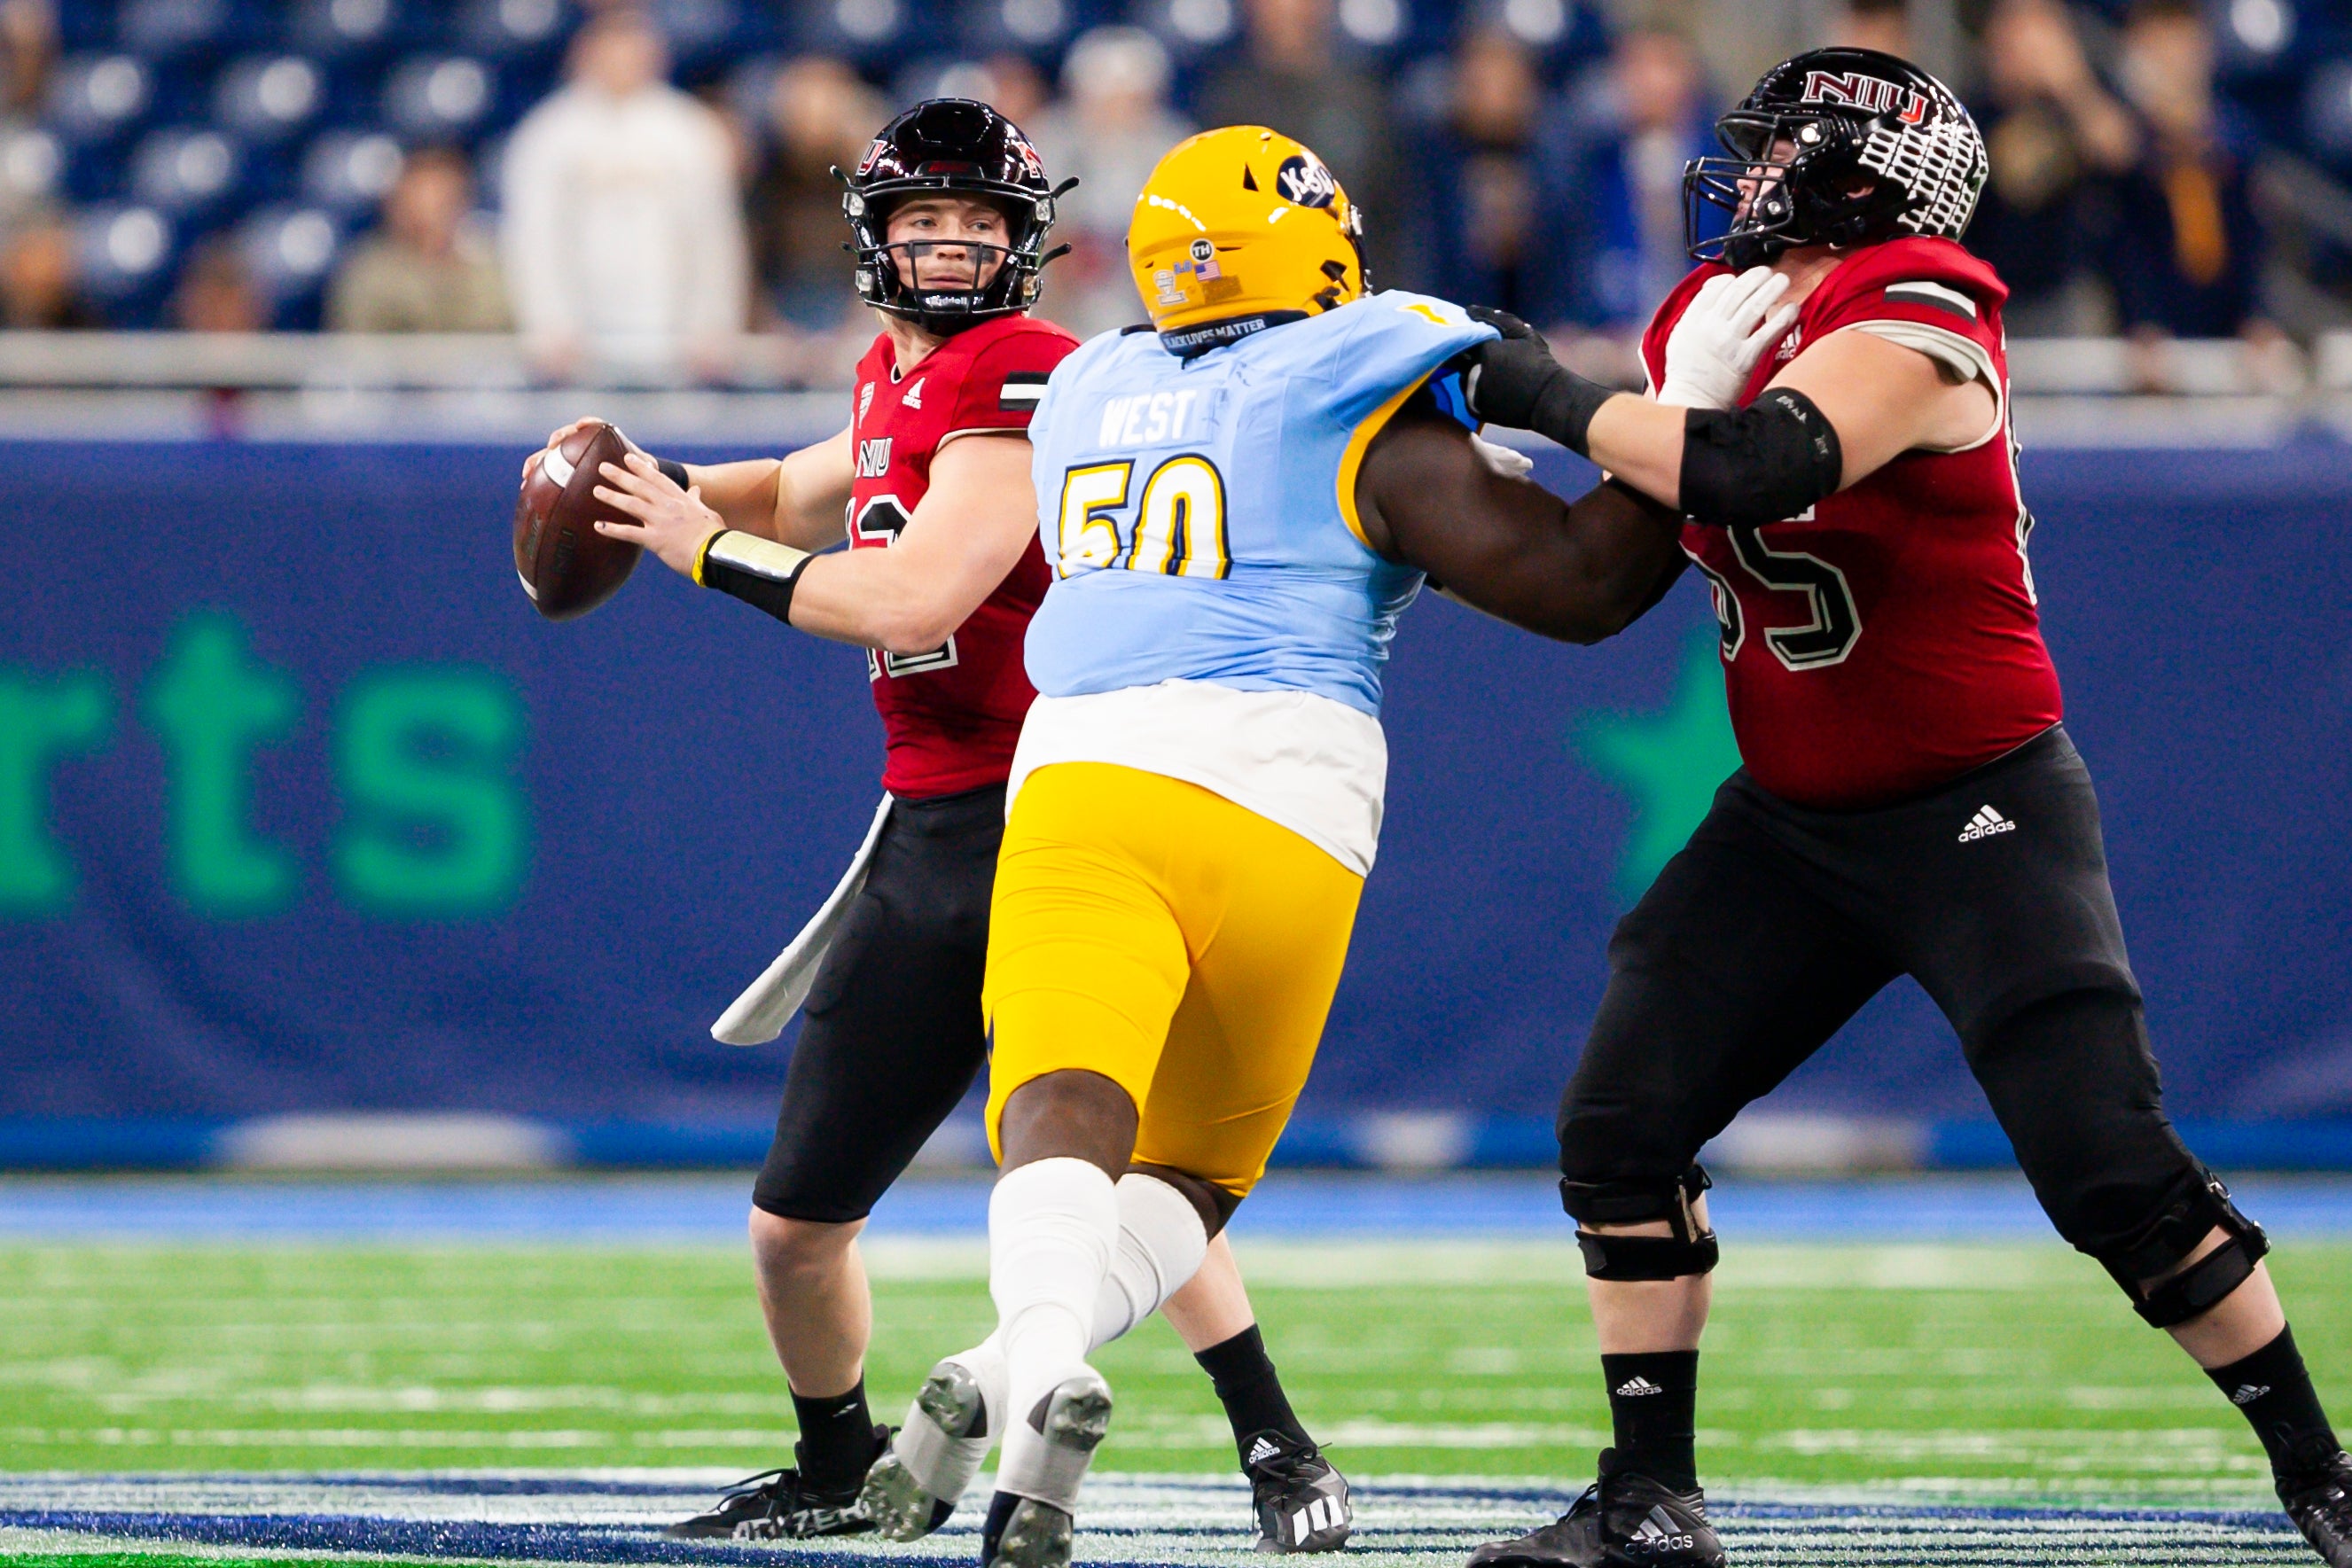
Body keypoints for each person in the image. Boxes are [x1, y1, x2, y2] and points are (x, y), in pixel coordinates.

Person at [1450, 46, 2352, 1568]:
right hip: (1790, 816)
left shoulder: (1924, 313)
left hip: (1970, 805)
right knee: (1618, 1121)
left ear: (1857, 173)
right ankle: (1649, 1495)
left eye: (1771, 152)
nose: (1737, 182)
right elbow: (1605, 582)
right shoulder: (1712, 317)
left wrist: (1554, 390)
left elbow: (1757, 462)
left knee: (2106, 1169)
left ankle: (2317, 1465)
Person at [851, 124, 1690, 1568]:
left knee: (1059, 1099)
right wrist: (1685, 429)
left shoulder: (1087, 382)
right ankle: (1021, 1362)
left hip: (1084, 771)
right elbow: (1578, 586)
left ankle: (1019, 1364)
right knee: (1188, 1174)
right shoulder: (1363, 370)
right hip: (1286, 793)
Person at [543, 99, 1354, 1550]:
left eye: (979, 223)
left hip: (1061, 806)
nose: (952, 246)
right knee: (796, 1217)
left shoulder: (1026, 373)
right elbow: (815, 479)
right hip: (928, 830)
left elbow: (915, 594)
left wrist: (698, 549)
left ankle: (1272, 1433)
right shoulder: (891, 376)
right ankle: (836, 1460)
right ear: (873, 232)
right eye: (926, 221)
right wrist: (644, 487)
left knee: (1109, 1162)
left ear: (1026, 241)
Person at [499, 7, 746, 381]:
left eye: (633, 41)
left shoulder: (691, 130)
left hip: (677, 346)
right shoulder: (547, 134)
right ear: (585, 50)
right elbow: (533, 238)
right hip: (578, 350)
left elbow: (715, 236)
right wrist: (546, 324)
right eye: (611, 43)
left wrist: (714, 322)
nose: (623, 56)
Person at [326, 146, 509, 333]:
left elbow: (502, 327)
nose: (433, 213)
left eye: (445, 200)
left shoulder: (491, 264)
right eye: (423, 199)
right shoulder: (369, 270)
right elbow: (359, 343)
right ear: (397, 204)